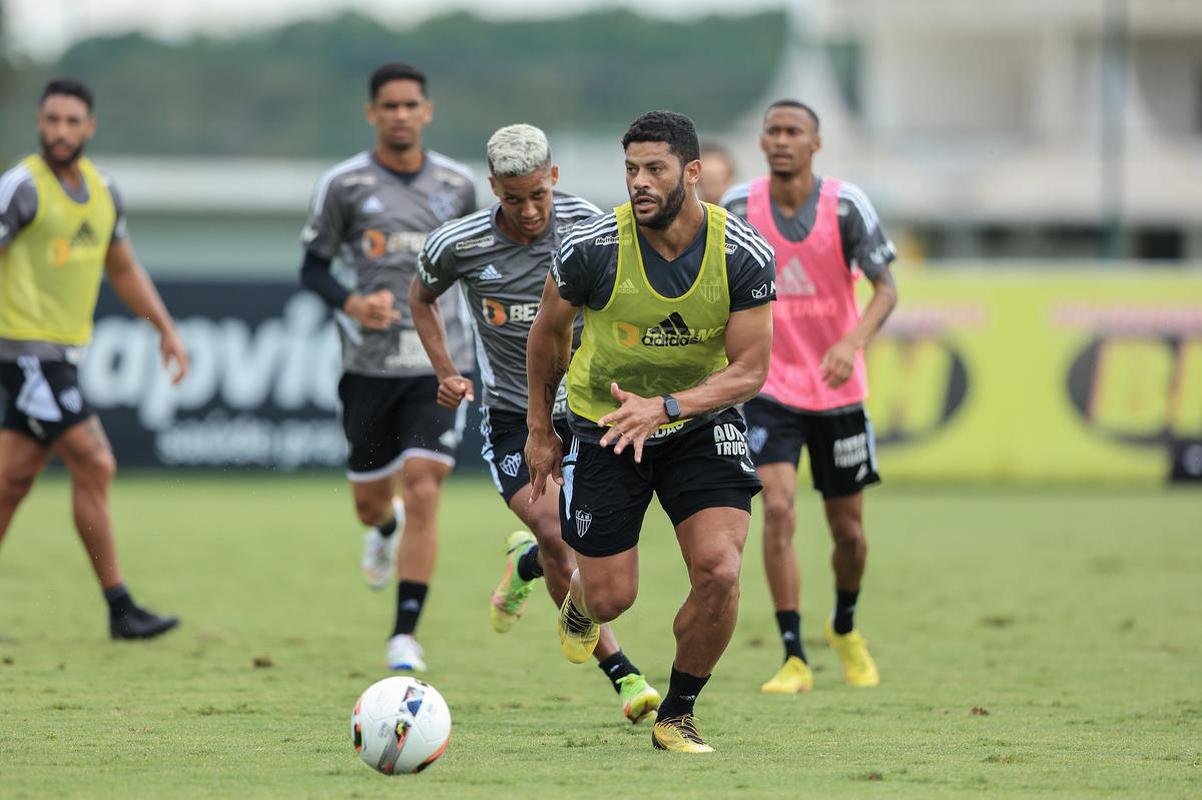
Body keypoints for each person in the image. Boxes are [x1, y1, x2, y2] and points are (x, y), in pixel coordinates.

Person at [526, 111, 776, 753]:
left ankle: (678, 714)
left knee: (719, 571)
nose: (640, 182)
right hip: (605, 426)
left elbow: (749, 371)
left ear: (692, 173)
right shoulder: (592, 248)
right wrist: (540, 429)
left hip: (699, 423)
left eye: (655, 169)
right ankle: (579, 603)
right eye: (631, 169)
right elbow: (547, 334)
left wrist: (664, 407)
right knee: (612, 599)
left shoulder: (742, 253)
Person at [409, 123, 661, 724]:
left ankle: (525, 566)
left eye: (538, 196)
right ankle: (623, 675)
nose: (527, 211)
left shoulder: (592, 228)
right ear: (492, 186)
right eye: (511, 198)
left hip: (587, 409)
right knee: (555, 531)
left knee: (580, 542)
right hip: (512, 416)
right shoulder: (459, 243)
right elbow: (421, 297)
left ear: (554, 177)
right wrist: (446, 369)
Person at [299, 63, 476, 672]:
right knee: (373, 504)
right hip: (368, 368)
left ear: (427, 111)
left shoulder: (458, 186)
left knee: (426, 486)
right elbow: (312, 268)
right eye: (389, 106)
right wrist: (352, 302)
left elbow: (480, 267)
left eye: (410, 105)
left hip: (439, 365)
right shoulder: (344, 185)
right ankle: (381, 531)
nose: (400, 115)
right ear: (372, 113)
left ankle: (404, 633)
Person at [0, 79, 188, 639]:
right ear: (40, 123)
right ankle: (120, 606)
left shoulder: (105, 191)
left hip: (62, 353)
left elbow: (123, 268)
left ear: (90, 127)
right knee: (96, 461)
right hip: (24, 352)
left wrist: (165, 329)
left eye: (71, 122)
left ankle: (119, 609)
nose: (60, 131)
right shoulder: (21, 188)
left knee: (12, 480)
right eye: (51, 120)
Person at [721, 100, 898, 693]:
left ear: (815, 144)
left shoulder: (846, 206)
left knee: (848, 531)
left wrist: (853, 341)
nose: (781, 140)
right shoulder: (740, 208)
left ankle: (844, 626)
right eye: (772, 130)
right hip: (768, 387)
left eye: (793, 131)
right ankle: (794, 655)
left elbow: (886, 291)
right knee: (777, 509)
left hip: (838, 390)